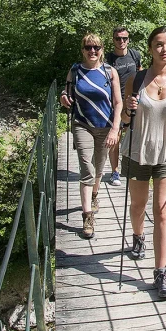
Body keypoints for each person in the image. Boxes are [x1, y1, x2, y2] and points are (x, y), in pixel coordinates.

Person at [121, 26, 166, 299]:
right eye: (159, 44)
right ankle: (138, 237)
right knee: (138, 206)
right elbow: (125, 122)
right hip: (139, 151)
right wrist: (127, 110)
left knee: (162, 211)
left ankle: (161, 272)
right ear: (150, 49)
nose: (164, 49)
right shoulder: (135, 81)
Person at [60, 33, 123, 239]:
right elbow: (67, 92)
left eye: (96, 47)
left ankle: (95, 194)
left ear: (102, 49)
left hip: (105, 126)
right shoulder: (75, 70)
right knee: (86, 168)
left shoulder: (109, 72)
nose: (92, 51)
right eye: (88, 47)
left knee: (98, 167)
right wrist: (63, 97)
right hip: (82, 125)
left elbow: (118, 103)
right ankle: (87, 216)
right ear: (83, 50)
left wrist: (115, 129)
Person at [105, 26, 142, 187]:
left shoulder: (135, 55)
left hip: (134, 101)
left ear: (128, 40)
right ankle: (115, 171)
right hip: (116, 104)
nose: (121, 41)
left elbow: (141, 73)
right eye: (118, 38)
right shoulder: (108, 59)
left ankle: (134, 168)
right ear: (113, 40)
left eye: (124, 38)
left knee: (135, 135)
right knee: (116, 137)